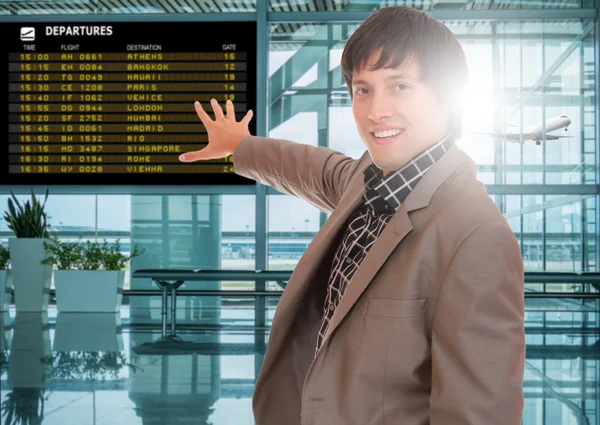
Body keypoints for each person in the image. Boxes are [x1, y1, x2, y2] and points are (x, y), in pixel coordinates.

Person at [179, 5, 525, 425]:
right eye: (363, 89)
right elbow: (311, 167)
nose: (376, 111)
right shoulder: (369, 179)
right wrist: (240, 146)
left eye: (399, 86)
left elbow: (479, 414)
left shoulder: (476, 234)